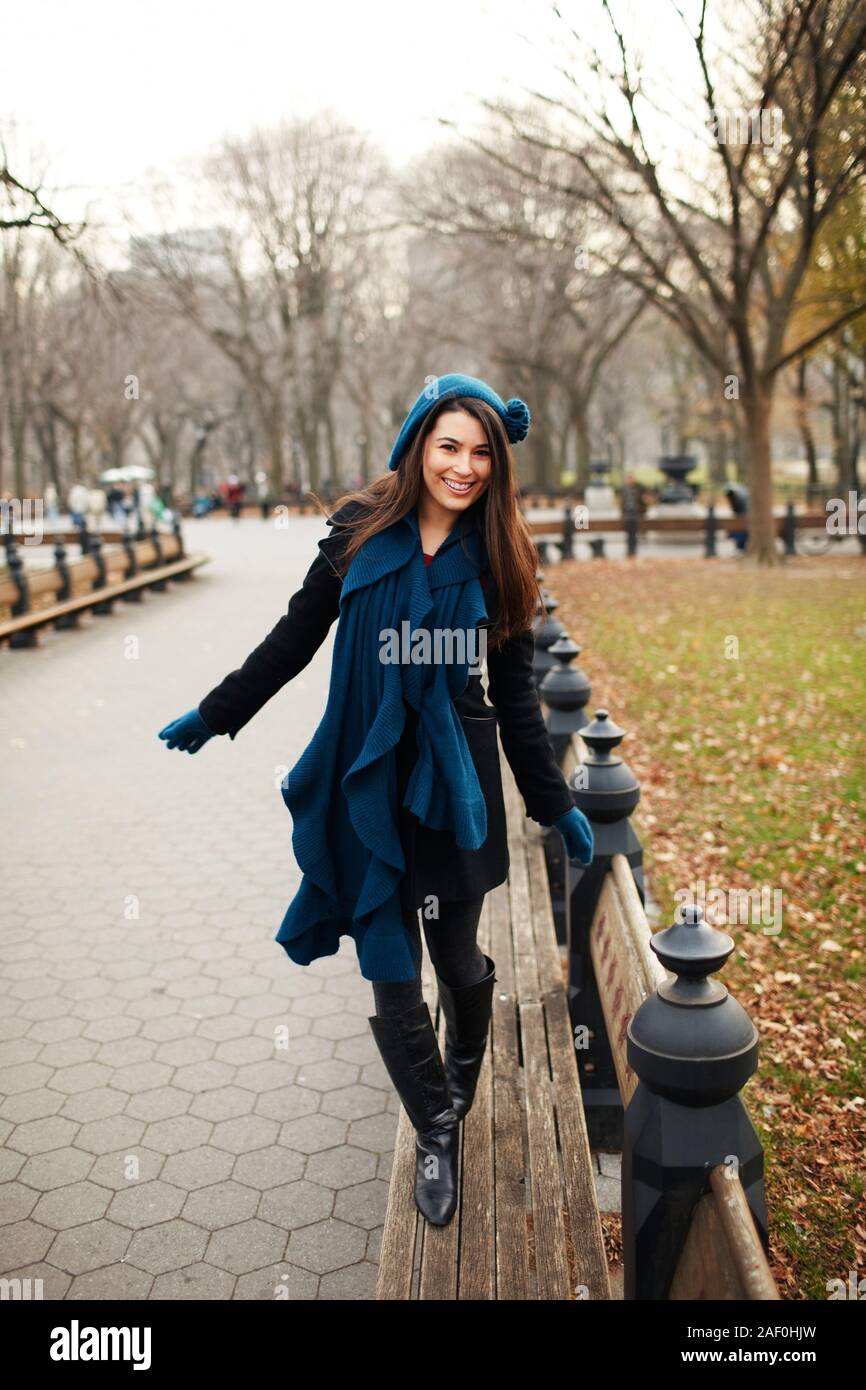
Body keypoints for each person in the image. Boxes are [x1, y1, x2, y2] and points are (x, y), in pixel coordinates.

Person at [157, 373, 594, 1228]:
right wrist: (219, 711)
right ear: (416, 444)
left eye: (478, 453)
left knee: (457, 958)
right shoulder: (358, 533)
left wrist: (553, 803)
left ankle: (466, 1050)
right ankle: (436, 1129)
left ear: (494, 463)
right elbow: (294, 635)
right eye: (448, 447)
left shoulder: (503, 558)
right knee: (389, 964)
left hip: (451, 780)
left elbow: (516, 700)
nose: (463, 466)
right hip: (367, 772)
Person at [724, 481, 749, 553]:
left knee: (739, 528)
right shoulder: (742, 494)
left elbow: (737, 511)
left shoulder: (737, 498)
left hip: (743, 521)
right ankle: (740, 546)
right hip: (745, 520)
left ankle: (740, 546)